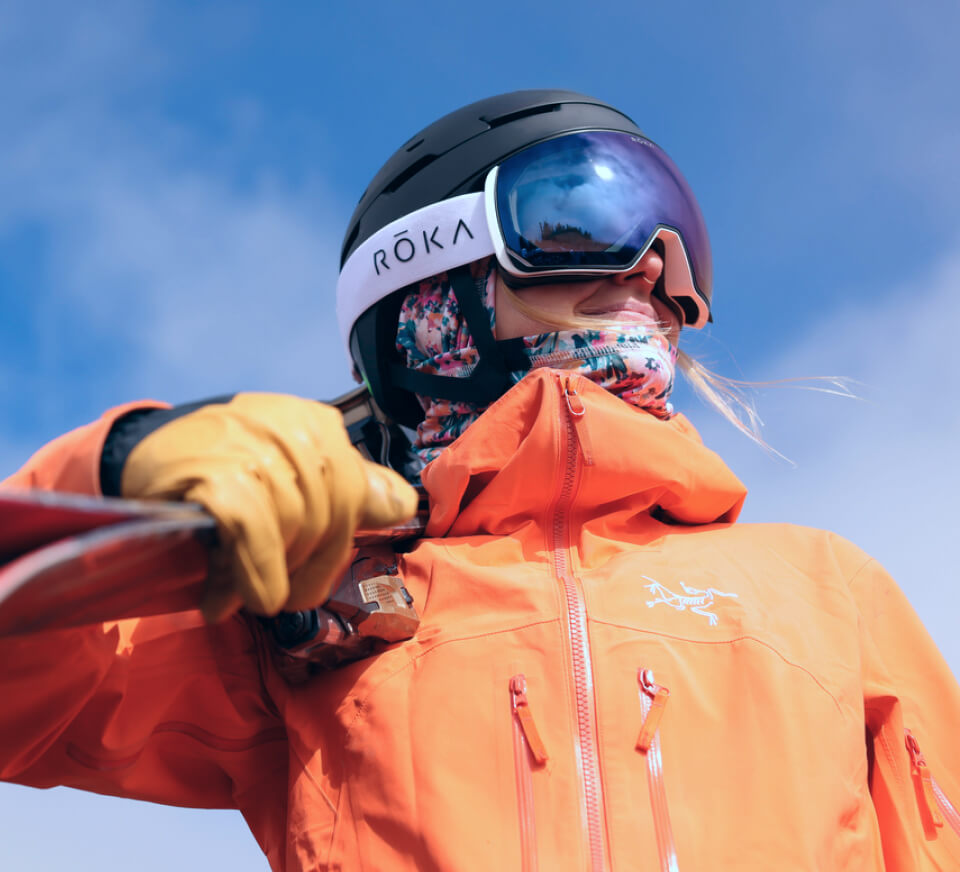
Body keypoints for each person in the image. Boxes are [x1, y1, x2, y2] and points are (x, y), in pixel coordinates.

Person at [1, 89, 958, 871]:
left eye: (679, 246)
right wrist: (116, 481)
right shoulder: (306, 602)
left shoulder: (827, 594)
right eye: (590, 217)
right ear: (432, 293)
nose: (655, 272)